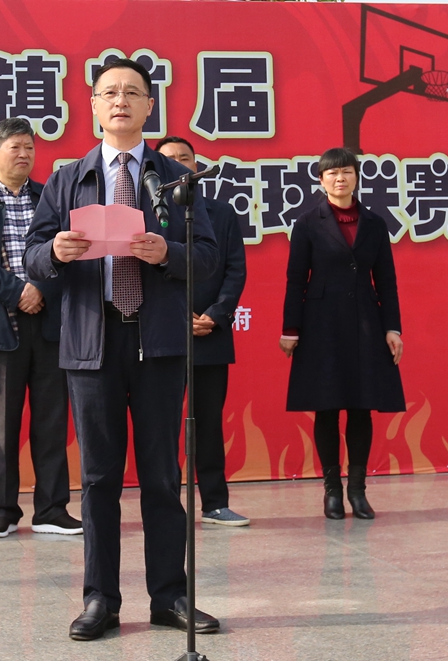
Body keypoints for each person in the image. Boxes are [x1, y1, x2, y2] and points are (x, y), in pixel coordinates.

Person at [23, 59, 220, 641]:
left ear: (149, 106)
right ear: (92, 105)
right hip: (93, 342)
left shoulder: (175, 178)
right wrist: (55, 252)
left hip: (158, 343)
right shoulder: (68, 178)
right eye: (109, 92)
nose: (120, 101)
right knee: (99, 479)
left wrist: (169, 255)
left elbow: (208, 257)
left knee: (162, 476)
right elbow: (32, 256)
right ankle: (100, 600)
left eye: (132, 92)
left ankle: (170, 596)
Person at [0, 117, 82, 538]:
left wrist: (41, 289)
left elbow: (69, 253)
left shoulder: (50, 198)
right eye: (15, 147)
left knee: (51, 422)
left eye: (29, 146)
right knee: (3, 427)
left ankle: (51, 510)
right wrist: (18, 292)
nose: (24, 154)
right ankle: (3, 512)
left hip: (49, 327)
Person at [279, 147, 405, 520]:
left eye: (346, 172)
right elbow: (295, 280)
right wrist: (290, 329)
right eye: (332, 173)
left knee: (361, 408)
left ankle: (358, 491)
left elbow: (386, 281)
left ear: (356, 177)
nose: (340, 178)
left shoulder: (375, 223)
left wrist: (392, 327)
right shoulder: (307, 223)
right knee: (327, 407)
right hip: (321, 325)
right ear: (321, 180)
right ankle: (332, 492)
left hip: (366, 323)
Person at [155, 135, 249, 527]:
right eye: (170, 159)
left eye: (185, 158)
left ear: (197, 166)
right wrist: (177, 317)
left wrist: (215, 314)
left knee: (208, 422)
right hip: (162, 334)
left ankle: (214, 503)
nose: (179, 165)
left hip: (210, 333)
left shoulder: (220, 213)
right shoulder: (148, 213)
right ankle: (165, 507)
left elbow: (235, 269)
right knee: (162, 426)